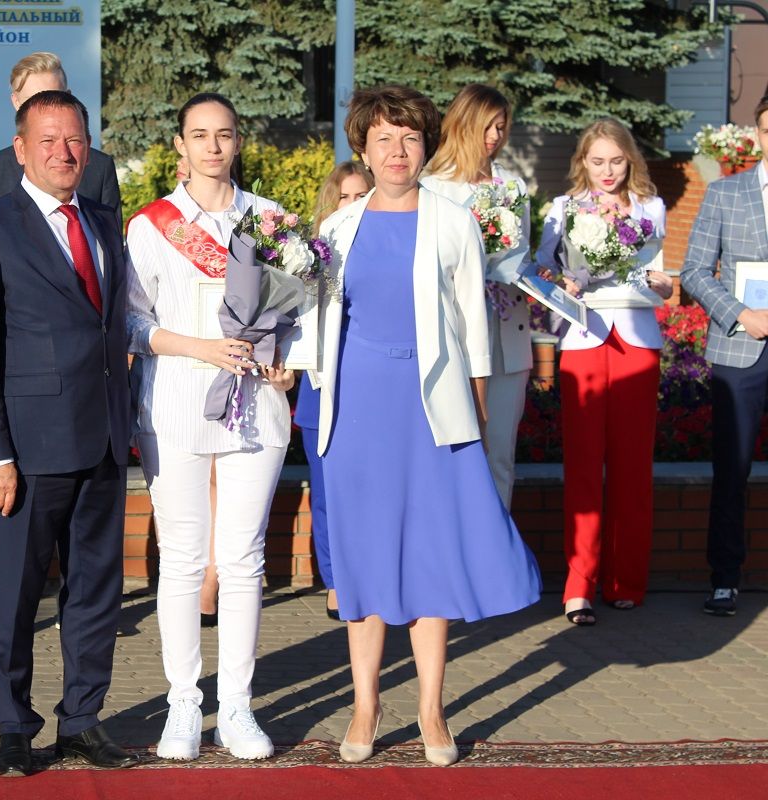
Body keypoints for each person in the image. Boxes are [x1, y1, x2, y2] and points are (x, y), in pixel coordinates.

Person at [315, 85, 541, 766]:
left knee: (431, 555)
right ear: (362, 146)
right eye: (382, 139)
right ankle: (364, 706)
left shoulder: (452, 221)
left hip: (432, 407)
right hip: (357, 407)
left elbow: (475, 325)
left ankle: (431, 709)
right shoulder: (337, 228)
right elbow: (319, 321)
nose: (396, 151)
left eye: (409, 138)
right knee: (364, 553)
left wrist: (475, 406)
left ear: (426, 147)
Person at [0, 90, 134, 777]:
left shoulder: (104, 222)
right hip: (25, 453)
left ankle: (83, 721)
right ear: (21, 149)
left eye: (76, 140)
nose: (65, 152)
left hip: (104, 441)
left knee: (95, 593)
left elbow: (109, 326)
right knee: (17, 593)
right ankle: (13, 727)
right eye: (49, 140)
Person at [127, 93, 294, 762]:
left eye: (224, 135)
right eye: (199, 135)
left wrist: (290, 363)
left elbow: (299, 310)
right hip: (175, 402)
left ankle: (238, 709)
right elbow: (132, 324)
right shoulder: (151, 226)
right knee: (183, 560)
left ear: (238, 141)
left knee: (244, 559)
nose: (213, 147)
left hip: (257, 403)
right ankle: (182, 706)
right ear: (180, 145)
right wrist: (199, 348)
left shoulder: (274, 222)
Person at [535, 118, 674, 625]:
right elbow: (541, 272)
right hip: (584, 342)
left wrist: (663, 286)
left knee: (633, 469)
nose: (608, 170)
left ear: (630, 159)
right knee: (583, 465)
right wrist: (561, 285)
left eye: (616, 160)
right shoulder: (563, 209)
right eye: (598, 161)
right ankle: (579, 586)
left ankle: (626, 581)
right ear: (583, 162)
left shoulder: (652, 208)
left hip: (637, 344)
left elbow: (663, 279)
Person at [423, 84, 533, 509]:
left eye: (501, 127)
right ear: (464, 125)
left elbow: (519, 252)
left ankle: (495, 560)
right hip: (454, 331)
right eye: (486, 126)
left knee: (501, 453)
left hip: (505, 330)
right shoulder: (433, 186)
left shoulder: (512, 185)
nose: (494, 136)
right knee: (451, 453)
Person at [680, 96, 768, 617]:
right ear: (756, 133)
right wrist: (742, 314)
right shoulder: (724, 193)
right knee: (732, 469)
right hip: (741, 347)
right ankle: (725, 579)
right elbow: (693, 270)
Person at [296, 160, 371, 620]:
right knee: (327, 494)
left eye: (362, 195)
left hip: (370, 392)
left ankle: (369, 575)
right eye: (344, 196)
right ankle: (337, 581)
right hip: (319, 393)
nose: (353, 204)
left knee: (368, 493)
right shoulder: (308, 256)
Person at [0, 51, 121, 229]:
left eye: (54, 98)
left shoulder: (99, 168)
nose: (47, 109)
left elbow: (111, 245)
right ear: (16, 103)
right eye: (33, 101)